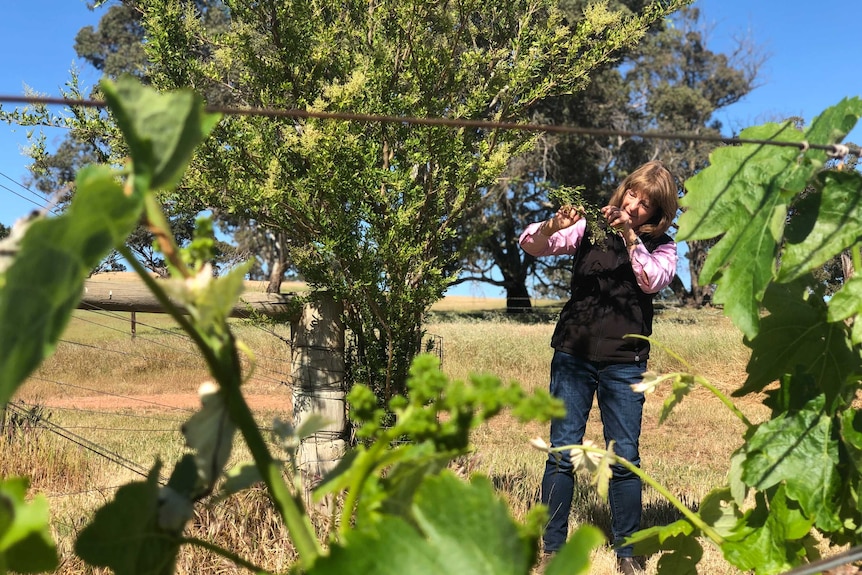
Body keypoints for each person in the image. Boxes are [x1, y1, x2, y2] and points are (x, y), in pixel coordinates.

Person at [519, 160, 679, 575]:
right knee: (563, 451)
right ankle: (553, 547)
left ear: (659, 214)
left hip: (625, 364)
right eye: (633, 195)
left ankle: (628, 552)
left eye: (647, 204)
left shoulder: (663, 246)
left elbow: (652, 281)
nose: (635, 206)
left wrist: (629, 237)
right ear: (624, 190)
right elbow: (531, 245)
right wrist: (553, 226)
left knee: (624, 456)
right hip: (573, 354)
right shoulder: (591, 228)